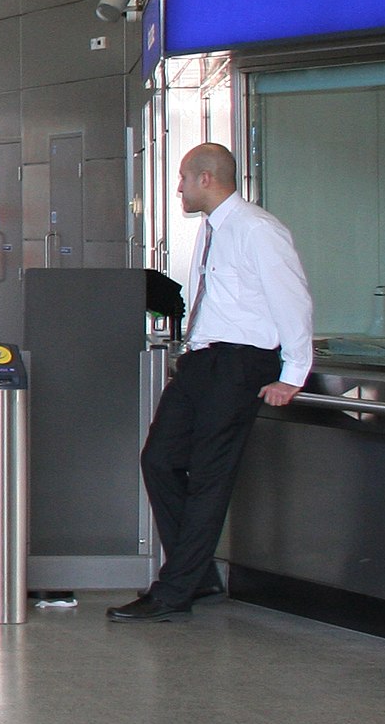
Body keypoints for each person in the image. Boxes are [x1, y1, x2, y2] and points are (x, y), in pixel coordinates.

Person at [110, 143, 311, 623]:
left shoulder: (258, 231)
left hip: (241, 364)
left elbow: (293, 300)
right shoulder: (213, 230)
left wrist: (293, 373)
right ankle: (195, 575)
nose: (177, 188)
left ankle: (174, 590)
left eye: (182, 178)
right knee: (158, 459)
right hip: (203, 361)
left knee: (207, 478)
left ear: (206, 179)